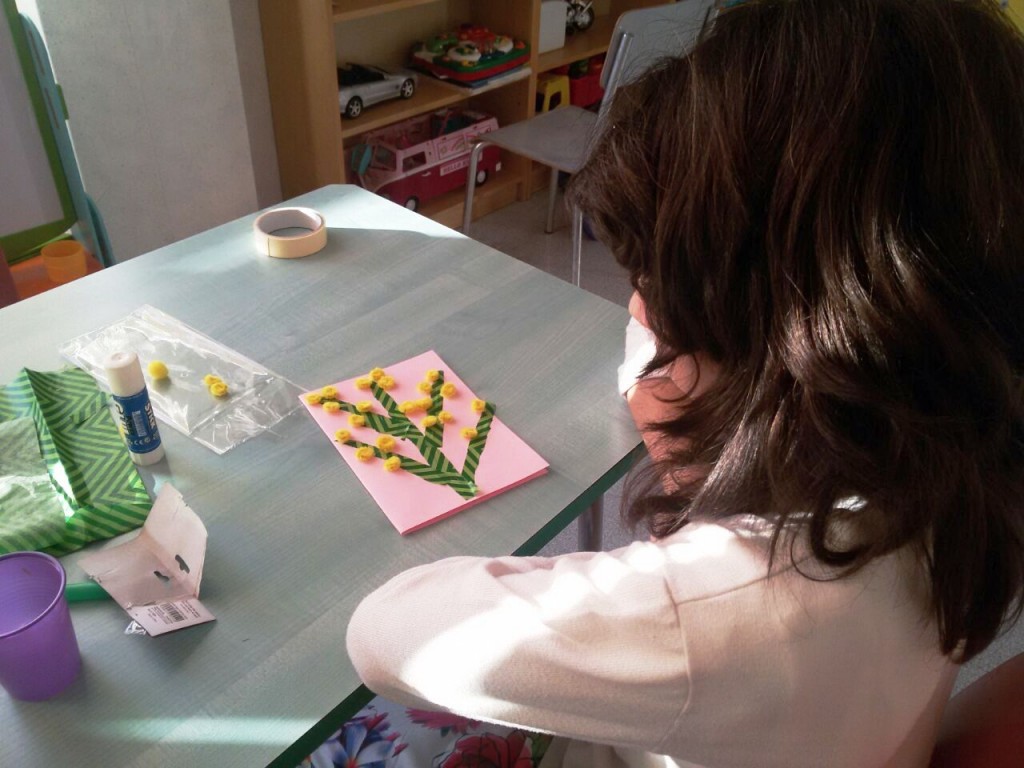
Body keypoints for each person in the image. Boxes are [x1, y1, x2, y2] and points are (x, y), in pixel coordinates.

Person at [340, 1, 1024, 766]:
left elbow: (385, 636)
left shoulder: (708, 611)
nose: (637, 309)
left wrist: (591, 579)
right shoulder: (962, 454)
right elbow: (656, 369)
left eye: (656, 289)